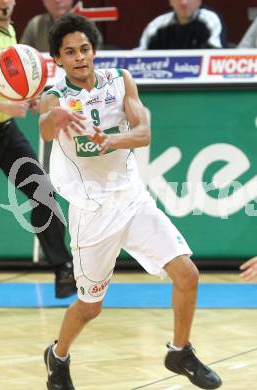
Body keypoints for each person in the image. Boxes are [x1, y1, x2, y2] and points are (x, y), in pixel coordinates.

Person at [39, 13, 222, 390]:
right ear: (58, 59)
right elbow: (44, 125)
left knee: (188, 274)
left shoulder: (119, 80)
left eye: (85, 49)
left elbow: (143, 132)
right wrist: (53, 115)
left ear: (94, 50)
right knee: (91, 307)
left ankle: (180, 351)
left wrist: (112, 140)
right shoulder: (55, 97)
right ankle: (57, 356)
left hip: (132, 200)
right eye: (70, 52)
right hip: (92, 212)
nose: (79, 57)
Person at [0, 0, 79, 299]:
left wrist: (27, 99)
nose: (4, 2)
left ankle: (63, 271)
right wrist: (4, 105)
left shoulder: (8, 30)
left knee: (44, 194)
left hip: (7, 132)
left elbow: (6, 83)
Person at [137, 0, 226, 50]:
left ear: (199, 1)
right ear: (170, 1)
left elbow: (215, 53)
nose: (184, 2)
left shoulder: (210, 21)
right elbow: (138, 57)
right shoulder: (156, 26)